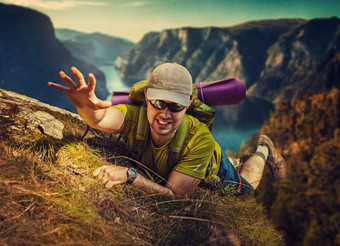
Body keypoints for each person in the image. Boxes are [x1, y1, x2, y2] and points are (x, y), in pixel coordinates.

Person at [48, 63, 286, 199]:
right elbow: (100, 119)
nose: (165, 114)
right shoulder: (134, 115)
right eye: (159, 103)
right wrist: (83, 105)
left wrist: (130, 176)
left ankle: (264, 150)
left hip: (214, 167)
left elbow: (174, 196)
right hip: (193, 160)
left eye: (176, 106)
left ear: (188, 105)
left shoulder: (199, 139)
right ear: (146, 99)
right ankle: (237, 159)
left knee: (248, 192)